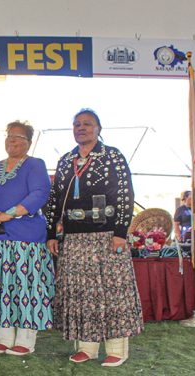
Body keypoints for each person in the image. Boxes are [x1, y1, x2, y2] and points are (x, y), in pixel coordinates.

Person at [45, 108, 143, 367]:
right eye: (77, 124)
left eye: (87, 124)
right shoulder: (66, 160)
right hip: (74, 238)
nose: (81, 128)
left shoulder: (113, 156)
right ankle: (86, 348)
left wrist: (121, 233)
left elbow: (125, 195)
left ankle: (116, 349)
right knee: (80, 292)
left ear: (99, 129)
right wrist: (52, 233)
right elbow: (55, 200)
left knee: (111, 291)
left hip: (107, 235)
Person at [0, 121, 54, 356]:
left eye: (18, 137)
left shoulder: (35, 165)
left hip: (26, 236)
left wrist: (10, 214)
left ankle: (25, 339)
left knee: (26, 286)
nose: (12, 140)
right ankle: (3, 338)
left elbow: (40, 194)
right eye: (9, 136)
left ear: (29, 142)